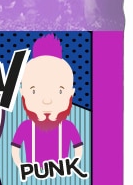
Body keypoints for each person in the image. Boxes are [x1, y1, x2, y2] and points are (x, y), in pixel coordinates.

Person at [11, 34, 83, 168]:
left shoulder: (68, 127)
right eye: (34, 91)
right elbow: (15, 148)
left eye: (59, 91)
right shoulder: (26, 127)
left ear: (70, 94)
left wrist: (70, 166)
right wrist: (22, 167)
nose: (47, 100)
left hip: (62, 172)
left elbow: (78, 149)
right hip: (30, 172)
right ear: (23, 93)